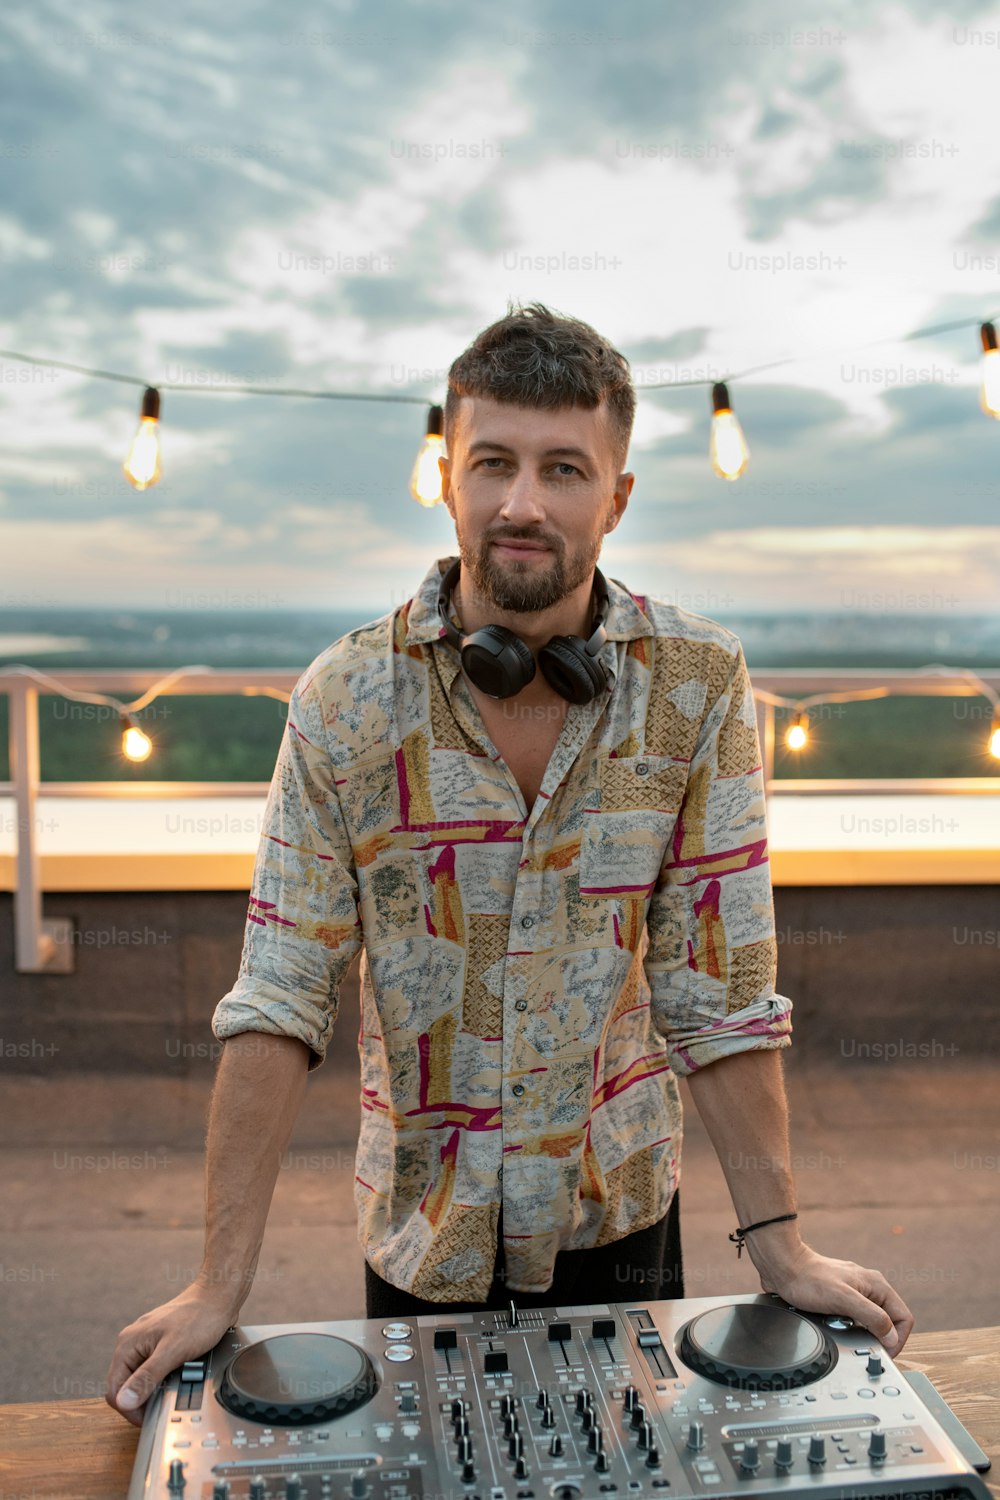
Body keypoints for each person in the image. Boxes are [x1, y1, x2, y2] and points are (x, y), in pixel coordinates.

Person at [107, 302, 913, 1426]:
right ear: (447, 476)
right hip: (425, 1238)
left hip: (622, 1225)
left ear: (617, 497)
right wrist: (217, 1283)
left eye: (562, 469)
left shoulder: (698, 685)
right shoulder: (344, 700)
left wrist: (780, 1248)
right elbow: (279, 993)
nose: (521, 503)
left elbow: (718, 997)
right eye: (492, 463)